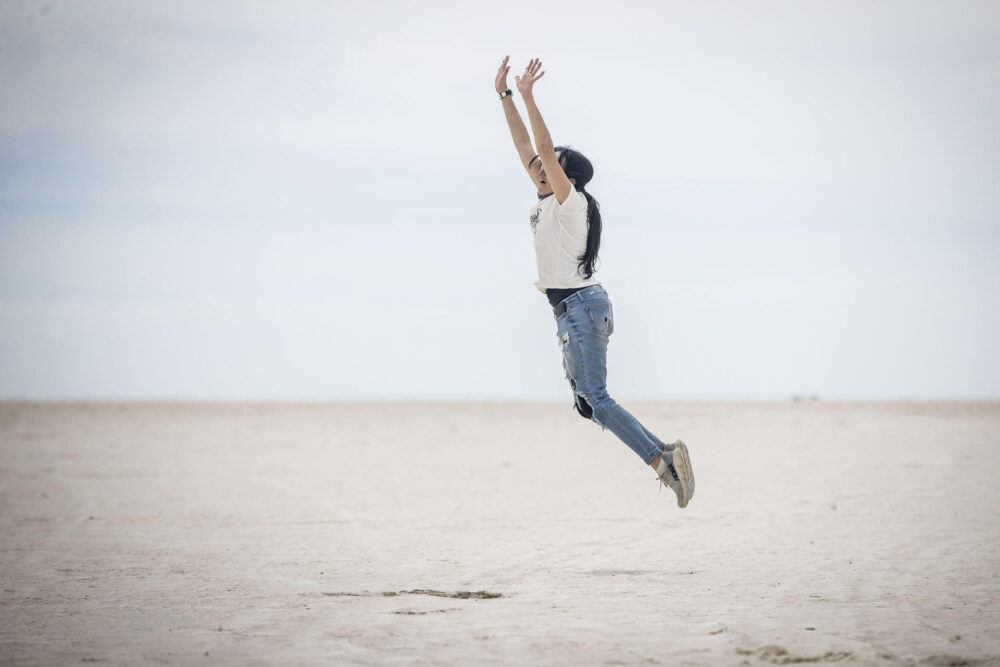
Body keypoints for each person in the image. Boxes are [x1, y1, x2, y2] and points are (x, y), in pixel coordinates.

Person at [494, 56, 696, 508]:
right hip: (572, 310)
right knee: (589, 404)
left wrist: (530, 96)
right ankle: (664, 456)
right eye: (541, 168)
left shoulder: (572, 203)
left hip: (582, 308)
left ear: (572, 178)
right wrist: (505, 96)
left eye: (553, 166)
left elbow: (542, 149)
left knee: (597, 400)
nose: (541, 169)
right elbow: (525, 146)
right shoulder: (546, 200)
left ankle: (664, 463)